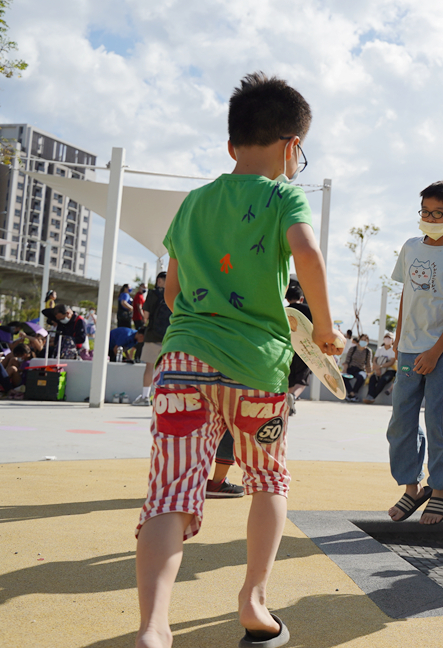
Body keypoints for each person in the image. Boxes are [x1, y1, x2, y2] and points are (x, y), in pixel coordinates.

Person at [134, 72, 339, 648]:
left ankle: (153, 629)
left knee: (170, 492)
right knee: (268, 477)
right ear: (293, 145)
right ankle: (254, 599)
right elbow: (309, 254)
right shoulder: (283, 194)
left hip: (183, 364)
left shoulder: (194, 203)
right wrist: (323, 330)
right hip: (257, 370)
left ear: (232, 144)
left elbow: (172, 294)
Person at [386, 181, 443, 526]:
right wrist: (398, 340)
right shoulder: (409, 247)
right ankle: (412, 487)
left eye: (438, 213)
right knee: (401, 421)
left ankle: (441, 488)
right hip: (409, 349)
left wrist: (438, 351)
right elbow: (407, 295)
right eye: (425, 211)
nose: (430, 217)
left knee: (440, 421)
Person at [133, 272, 170, 407]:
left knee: (150, 366)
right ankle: (165, 398)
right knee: (167, 368)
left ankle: (145, 396)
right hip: (169, 337)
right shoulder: (174, 294)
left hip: (153, 335)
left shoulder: (153, 294)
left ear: (159, 281)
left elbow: (146, 316)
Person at [284, 281, 311, 414]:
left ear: (286, 299)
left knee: (290, 379)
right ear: (302, 298)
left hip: (287, 348)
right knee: (302, 380)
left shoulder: (284, 311)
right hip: (304, 349)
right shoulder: (308, 310)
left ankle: (288, 404)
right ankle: (293, 397)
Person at [363, 331, 397, 404]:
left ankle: (371, 396)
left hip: (390, 370)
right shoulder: (380, 349)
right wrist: (377, 368)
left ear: (392, 340)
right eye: (386, 337)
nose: (387, 339)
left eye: (389, 338)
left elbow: (391, 362)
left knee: (383, 380)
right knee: (372, 379)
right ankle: (369, 396)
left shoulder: (393, 350)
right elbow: (374, 360)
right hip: (378, 369)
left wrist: (380, 366)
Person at [343, 334, 373, 402]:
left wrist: (369, 373)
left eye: (365, 340)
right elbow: (347, 360)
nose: (363, 341)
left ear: (368, 342)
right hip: (351, 368)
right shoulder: (352, 349)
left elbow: (368, 364)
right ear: (359, 340)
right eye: (362, 339)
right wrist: (344, 369)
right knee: (343, 378)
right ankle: (352, 394)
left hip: (360, 369)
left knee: (361, 377)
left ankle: (352, 394)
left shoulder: (368, 351)